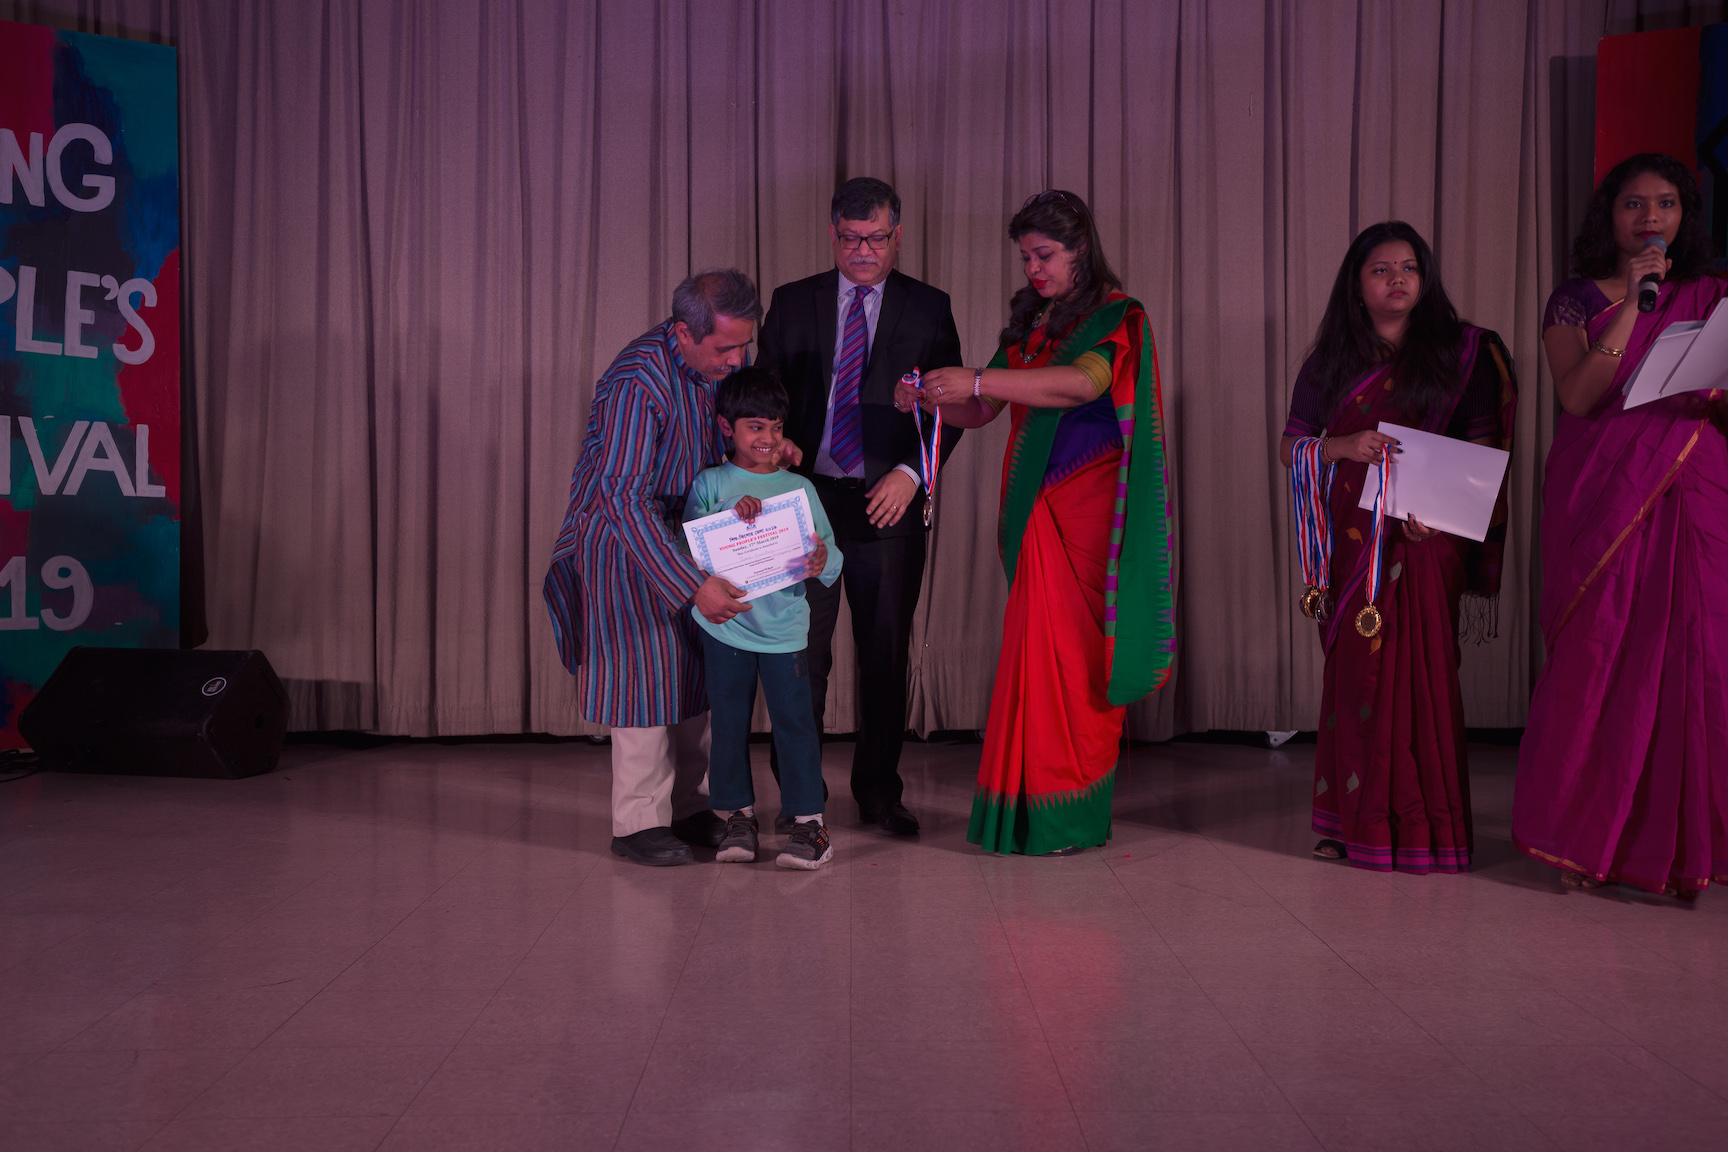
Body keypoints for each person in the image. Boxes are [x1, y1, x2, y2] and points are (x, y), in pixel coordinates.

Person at [898, 190, 1174, 856]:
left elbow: (1081, 384)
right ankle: (1025, 815)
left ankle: (1070, 819)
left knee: (1077, 667)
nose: (1034, 269)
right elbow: (981, 410)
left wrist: (977, 380)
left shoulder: (1119, 316)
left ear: (1081, 248)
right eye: (1026, 258)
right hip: (1036, 517)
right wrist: (930, 399)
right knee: (1037, 663)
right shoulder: (1034, 321)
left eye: (1045, 255)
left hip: (1086, 518)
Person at [1513, 153, 1728, 897]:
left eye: (1665, 204)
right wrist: (1636, 304)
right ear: (1609, 215)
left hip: (1694, 492)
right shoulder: (1574, 300)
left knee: (1693, 659)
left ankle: (1682, 851)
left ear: (1683, 217)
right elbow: (1578, 396)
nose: (1649, 218)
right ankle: (1579, 841)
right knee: (1597, 654)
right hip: (1601, 498)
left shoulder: (1712, 297)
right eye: (1633, 203)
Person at [1277, 221, 1516, 874]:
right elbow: (1293, 447)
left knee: (1421, 678)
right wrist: (1343, 446)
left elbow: (1484, 449)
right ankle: (1349, 823)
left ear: (1425, 278)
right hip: (1355, 545)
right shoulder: (1330, 361)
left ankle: (1427, 830)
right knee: (1356, 678)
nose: (1397, 279)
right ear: (1356, 285)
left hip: (1429, 542)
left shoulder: (1464, 353)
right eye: (1380, 269)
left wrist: (1437, 515)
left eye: (1409, 267)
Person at [756, 177, 964, 836]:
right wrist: (775, 445)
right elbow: (765, 394)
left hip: (886, 504)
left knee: (883, 654)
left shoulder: (929, 308)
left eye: (875, 239)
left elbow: (953, 408)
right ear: (832, 235)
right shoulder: (793, 302)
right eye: (850, 239)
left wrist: (911, 472)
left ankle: (879, 791)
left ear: (897, 237)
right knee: (800, 656)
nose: (863, 251)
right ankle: (800, 795)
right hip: (805, 503)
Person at [543, 270, 762, 867]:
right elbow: (621, 497)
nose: (737, 359)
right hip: (622, 538)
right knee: (640, 676)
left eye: (744, 345)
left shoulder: (720, 363)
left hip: (690, 528)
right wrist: (692, 586)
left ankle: (688, 808)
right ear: (685, 332)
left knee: (693, 675)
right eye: (725, 348)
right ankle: (637, 821)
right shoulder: (637, 381)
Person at [683, 367, 844, 868]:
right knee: (728, 726)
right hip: (725, 629)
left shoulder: (800, 488)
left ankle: (809, 825)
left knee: (795, 725)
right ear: (726, 426)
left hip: (784, 633)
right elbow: (690, 550)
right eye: (756, 426)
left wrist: (822, 560)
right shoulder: (710, 483)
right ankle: (738, 818)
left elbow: (831, 554)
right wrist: (733, 509)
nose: (768, 438)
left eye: (776, 427)